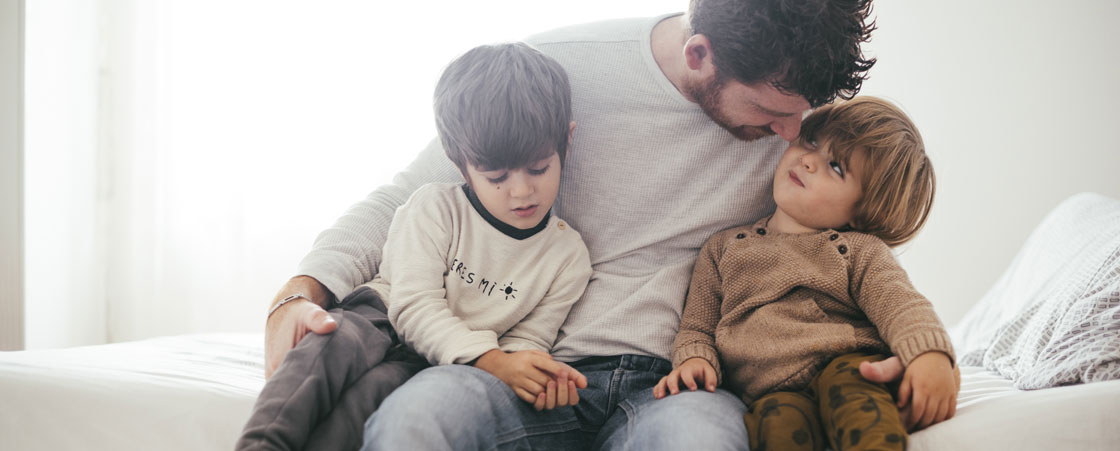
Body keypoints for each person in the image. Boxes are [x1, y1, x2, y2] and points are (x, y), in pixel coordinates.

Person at [266, 0, 902, 449]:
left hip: (674, 385)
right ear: (699, 54)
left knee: (700, 444)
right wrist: (301, 290)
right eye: (768, 111)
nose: (791, 135)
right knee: (417, 416)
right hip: (521, 364)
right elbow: (407, 197)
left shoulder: (798, 127)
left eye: (802, 114)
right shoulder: (560, 69)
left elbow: (850, 248)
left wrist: (901, 346)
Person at [238, 43, 592, 451]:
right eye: (496, 177)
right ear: (458, 161)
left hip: (433, 363)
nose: (522, 191)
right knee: (330, 346)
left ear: (566, 139)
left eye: (539, 168)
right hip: (380, 319)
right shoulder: (434, 207)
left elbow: (524, 344)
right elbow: (412, 305)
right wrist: (494, 360)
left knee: (371, 402)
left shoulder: (567, 258)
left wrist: (530, 376)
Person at [653, 96, 957, 451]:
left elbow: (900, 305)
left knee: (853, 395)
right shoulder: (722, 249)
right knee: (774, 425)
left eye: (837, 167)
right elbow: (698, 326)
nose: (808, 160)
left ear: (864, 210)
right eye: (811, 141)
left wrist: (929, 355)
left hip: (848, 363)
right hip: (770, 392)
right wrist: (694, 359)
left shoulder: (858, 249)